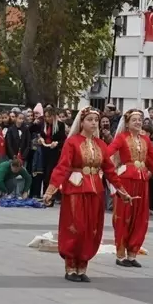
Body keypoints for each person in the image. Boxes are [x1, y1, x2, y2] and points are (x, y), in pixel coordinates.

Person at [42, 107, 130, 282]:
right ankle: (70, 266)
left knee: (91, 228)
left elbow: (110, 170)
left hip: (95, 189)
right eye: (89, 119)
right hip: (76, 188)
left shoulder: (101, 144)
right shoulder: (72, 142)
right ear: (81, 122)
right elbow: (62, 167)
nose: (93, 123)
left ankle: (82, 266)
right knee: (76, 226)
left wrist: (121, 190)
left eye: (95, 120)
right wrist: (51, 189)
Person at [107, 109, 153, 268]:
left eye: (140, 119)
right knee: (124, 216)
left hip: (142, 180)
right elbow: (108, 152)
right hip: (126, 180)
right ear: (127, 123)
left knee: (140, 217)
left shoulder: (145, 139)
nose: (138, 122)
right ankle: (121, 254)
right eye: (134, 120)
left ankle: (132, 254)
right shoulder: (121, 138)